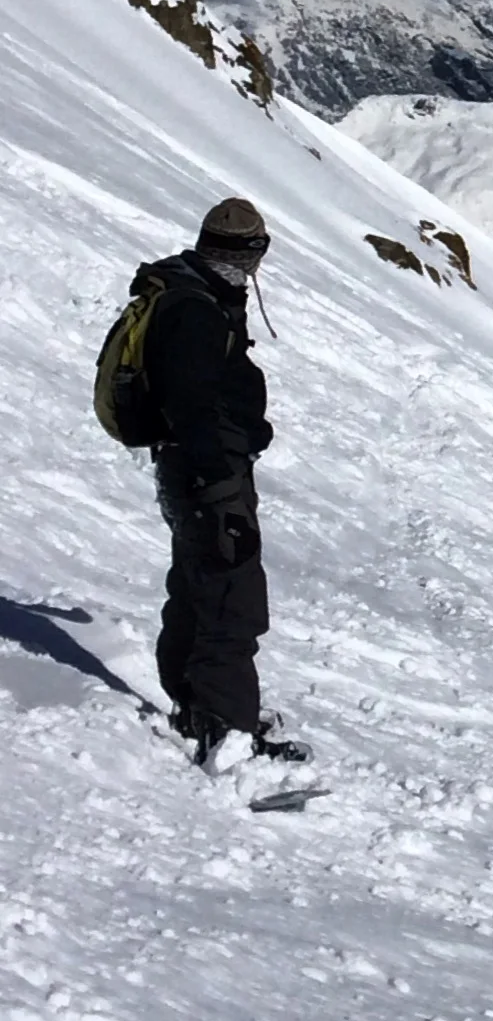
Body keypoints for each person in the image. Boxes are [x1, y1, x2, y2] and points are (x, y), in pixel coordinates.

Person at [149, 196, 308, 768]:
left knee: (198, 583)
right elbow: (190, 403)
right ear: (251, 250)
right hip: (209, 476)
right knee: (232, 596)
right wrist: (219, 479)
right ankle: (227, 732)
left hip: (192, 469)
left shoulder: (195, 292)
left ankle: (194, 702)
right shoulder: (197, 311)